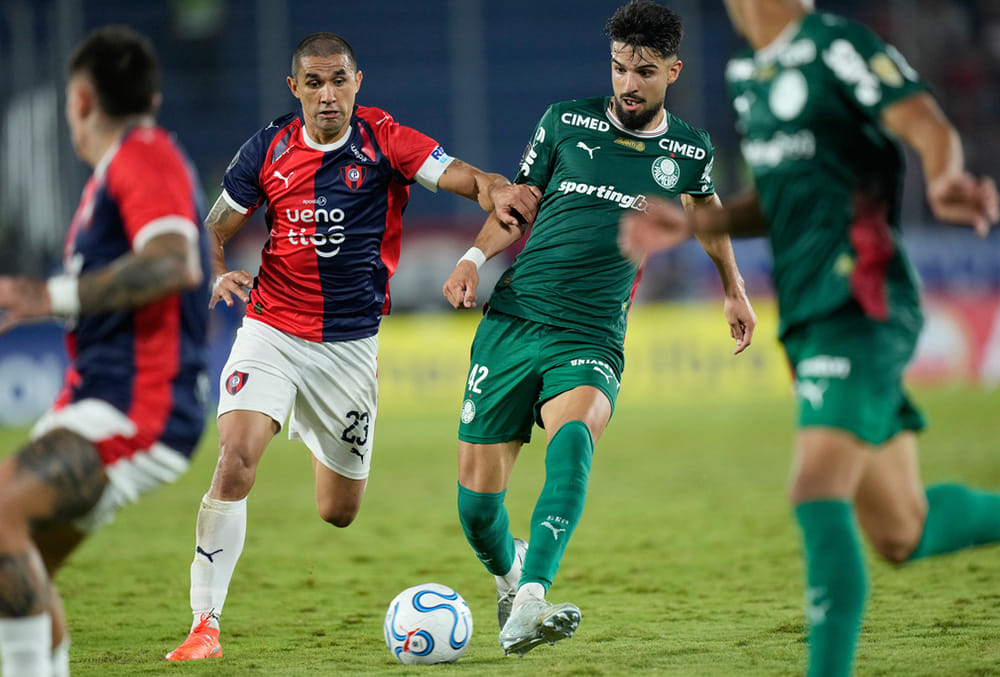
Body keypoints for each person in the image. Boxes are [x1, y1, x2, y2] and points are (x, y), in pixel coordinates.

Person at [619, 1, 1000, 675]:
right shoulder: (751, 76)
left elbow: (921, 118)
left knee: (814, 487)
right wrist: (693, 225)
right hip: (808, 311)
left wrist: (943, 178)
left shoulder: (834, 46)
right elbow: (778, 198)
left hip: (861, 296)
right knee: (900, 529)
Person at [165, 32, 538, 661]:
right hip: (271, 329)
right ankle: (206, 624)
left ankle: (317, 439)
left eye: (338, 80)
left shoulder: (385, 140)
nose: (328, 94)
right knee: (235, 455)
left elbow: (465, 177)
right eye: (314, 82)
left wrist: (494, 189)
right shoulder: (267, 149)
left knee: (338, 511)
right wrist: (219, 266)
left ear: (357, 82)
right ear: (295, 89)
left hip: (348, 349)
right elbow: (215, 227)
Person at [442, 0, 756, 657]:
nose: (627, 84)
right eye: (618, 68)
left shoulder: (689, 150)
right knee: (476, 511)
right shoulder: (564, 122)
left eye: (643, 71)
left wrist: (734, 289)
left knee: (575, 435)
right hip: (514, 319)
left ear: (673, 69)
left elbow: (707, 214)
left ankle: (532, 595)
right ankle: (508, 572)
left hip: (590, 333)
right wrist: (472, 260)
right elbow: (515, 207)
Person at [0, 25, 210, 677]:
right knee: (20, 562)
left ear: (82, 100)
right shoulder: (122, 172)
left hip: (135, 404)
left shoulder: (141, 156)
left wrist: (50, 294)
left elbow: (174, 263)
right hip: (96, 398)